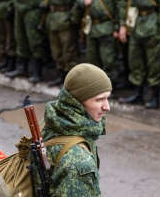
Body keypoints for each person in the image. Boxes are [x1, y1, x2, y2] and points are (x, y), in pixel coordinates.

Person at [42, 63, 111, 196]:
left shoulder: (55, 119)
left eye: (107, 98)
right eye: (99, 100)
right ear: (77, 101)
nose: (107, 107)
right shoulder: (79, 164)